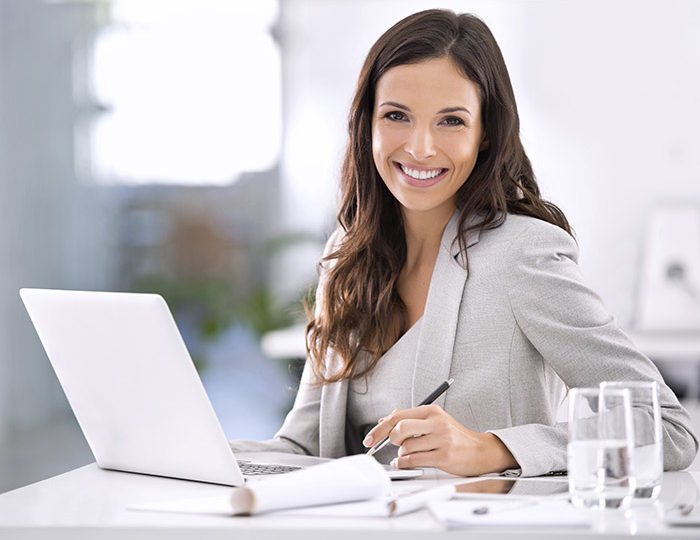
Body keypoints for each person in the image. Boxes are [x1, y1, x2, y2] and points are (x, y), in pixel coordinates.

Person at [230, 9, 698, 477]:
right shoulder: (347, 257)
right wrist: (199, 453)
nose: (420, 147)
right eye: (396, 115)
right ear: (366, 124)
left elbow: (670, 430)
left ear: (485, 133)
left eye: (450, 121)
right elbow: (303, 446)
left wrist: (493, 448)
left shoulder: (523, 255)